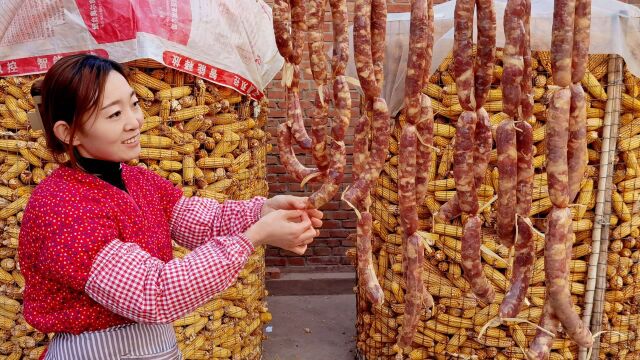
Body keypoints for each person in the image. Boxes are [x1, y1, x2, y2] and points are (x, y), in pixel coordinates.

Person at [18, 54, 323, 359]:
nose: (134, 122)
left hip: (152, 347)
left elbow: (203, 221)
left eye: (134, 104)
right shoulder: (62, 208)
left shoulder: (137, 180)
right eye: (114, 115)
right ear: (67, 132)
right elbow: (154, 293)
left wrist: (263, 211)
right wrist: (253, 238)